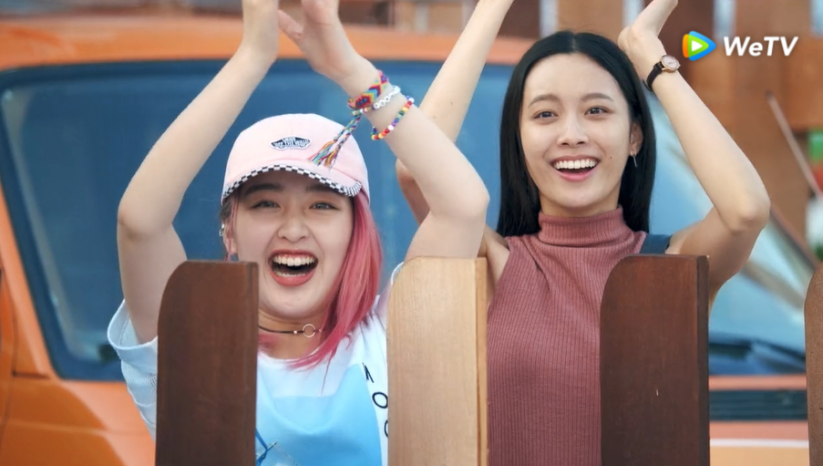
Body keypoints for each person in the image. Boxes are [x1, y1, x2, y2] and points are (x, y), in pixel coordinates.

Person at [106, 0, 490, 464]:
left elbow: (464, 205)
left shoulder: (390, 334)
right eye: (266, 204)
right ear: (229, 231)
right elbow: (140, 222)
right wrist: (252, 57)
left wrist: (350, 71)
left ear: (356, 230)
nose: (293, 228)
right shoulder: (192, 346)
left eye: (322, 205)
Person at [396, 0, 771, 464]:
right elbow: (417, 167)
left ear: (634, 136)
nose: (571, 134)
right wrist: (492, 7)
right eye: (545, 115)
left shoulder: (668, 270)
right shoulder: (489, 263)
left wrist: (649, 57)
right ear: (518, 140)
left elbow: (745, 210)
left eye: (596, 110)